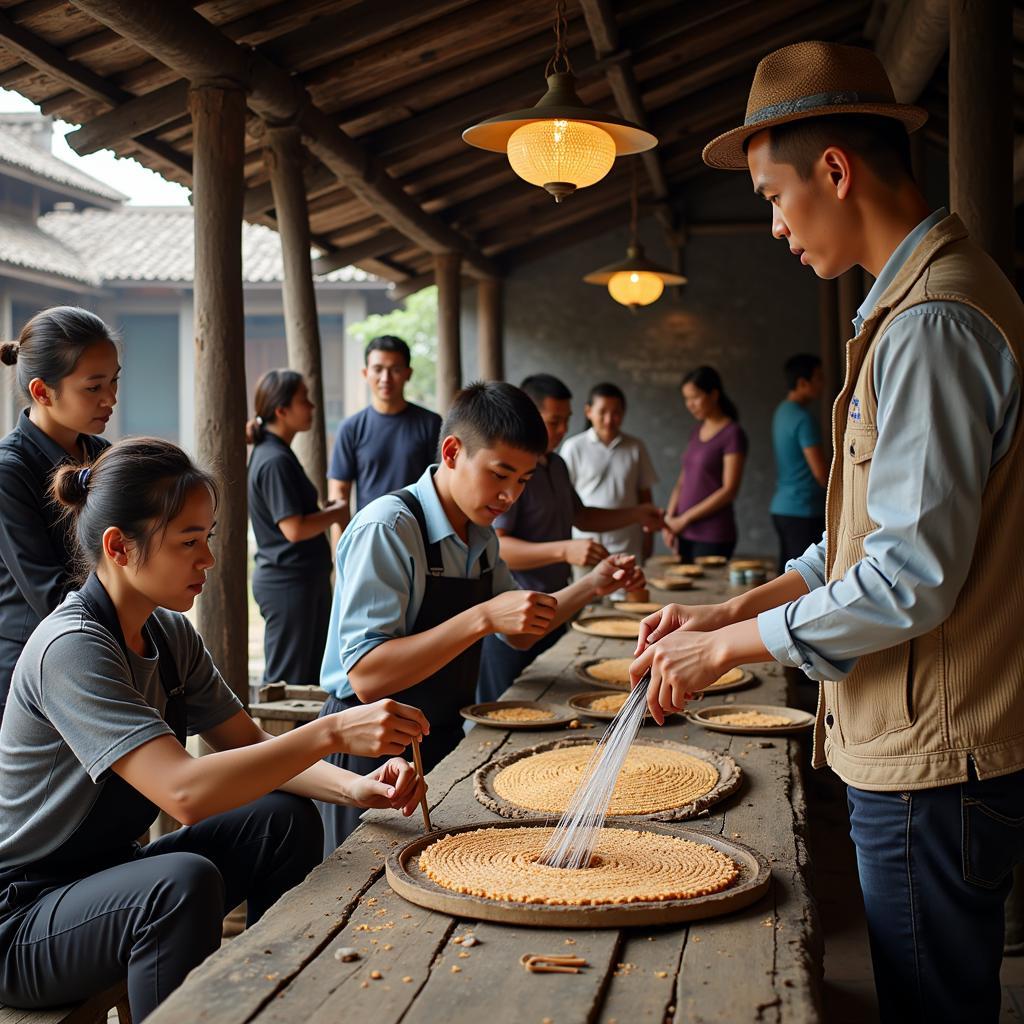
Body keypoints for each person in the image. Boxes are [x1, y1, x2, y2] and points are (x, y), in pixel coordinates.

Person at [630, 41, 1024, 1024]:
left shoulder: (933, 321)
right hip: (914, 742)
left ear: (835, 171)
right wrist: (731, 607)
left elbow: (907, 577)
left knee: (933, 1006)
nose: (771, 223)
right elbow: (849, 548)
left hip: (935, 756)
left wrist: (725, 646)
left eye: (773, 193)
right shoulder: (904, 310)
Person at [0, 437, 427, 1022]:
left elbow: (252, 747)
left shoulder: (169, 635)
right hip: (25, 917)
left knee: (282, 821)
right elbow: (186, 794)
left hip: (108, 879)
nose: (207, 558)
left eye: (210, 537)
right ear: (119, 547)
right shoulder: (71, 647)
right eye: (187, 542)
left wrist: (358, 788)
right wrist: (332, 731)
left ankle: (274, 1001)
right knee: (180, 885)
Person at [317, 381, 645, 850]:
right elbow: (369, 675)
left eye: (523, 481)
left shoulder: (480, 536)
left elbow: (521, 634)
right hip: (370, 747)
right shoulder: (389, 528)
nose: (510, 495)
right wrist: (483, 617)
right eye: (500, 474)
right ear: (452, 452)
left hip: (442, 735)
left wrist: (593, 585)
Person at [475, 374, 662, 704]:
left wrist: (636, 514)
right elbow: (499, 545)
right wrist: (565, 549)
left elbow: (583, 516)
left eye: (565, 421)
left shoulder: (556, 464)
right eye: (554, 421)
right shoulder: (514, 471)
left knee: (549, 707)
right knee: (506, 709)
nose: (562, 430)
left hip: (556, 607)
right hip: (513, 616)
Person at [0, 306, 117, 721]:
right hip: (35, 668)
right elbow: (49, 593)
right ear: (42, 391)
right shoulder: (9, 472)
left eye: (114, 380)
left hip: (103, 648)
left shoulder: (104, 455)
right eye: (93, 387)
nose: (111, 399)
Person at [247, 369, 347, 686]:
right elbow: (293, 529)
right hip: (288, 582)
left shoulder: (278, 454)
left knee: (307, 678)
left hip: (299, 580)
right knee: (287, 684)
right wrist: (337, 513)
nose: (312, 407)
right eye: (305, 400)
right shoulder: (274, 459)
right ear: (282, 410)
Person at [327, 335, 442, 542]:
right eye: (378, 369)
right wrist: (340, 551)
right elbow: (339, 493)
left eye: (395, 369)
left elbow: (442, 487)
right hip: (368, 536)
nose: (386, 378)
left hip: (419, 536)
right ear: (365, 373)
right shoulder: (351, 428)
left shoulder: (431, 424)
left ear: (408, 374)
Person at [560, 382, 659, 586]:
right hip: (586, 544)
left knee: (627, 603)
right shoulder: (573, 447)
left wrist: (648, 540)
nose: (609, 419)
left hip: (628, 543)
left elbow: (645, 495)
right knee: (586, 602)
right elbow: (562, 500)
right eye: (602, 411)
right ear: (588, 411)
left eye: (616, 413)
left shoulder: (635, 447)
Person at [663, 366, 747, 562]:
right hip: (684, 533)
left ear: (714, 395)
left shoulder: (732, 434)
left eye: (695, 397)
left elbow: (729, 490)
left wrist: (684, 520)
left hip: (713, 535)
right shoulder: (697, 431)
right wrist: (669, 519)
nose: (690, 405)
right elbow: (682, 481)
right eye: (686, 399)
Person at [770, 354, 828, 571]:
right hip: (803, 509)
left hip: (782, 509)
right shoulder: (804, 419)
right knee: (802, 583)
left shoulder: (781, 411)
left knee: (785, 579)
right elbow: (821, 473)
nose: (823, 384)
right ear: (803, 383)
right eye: (819, 378)